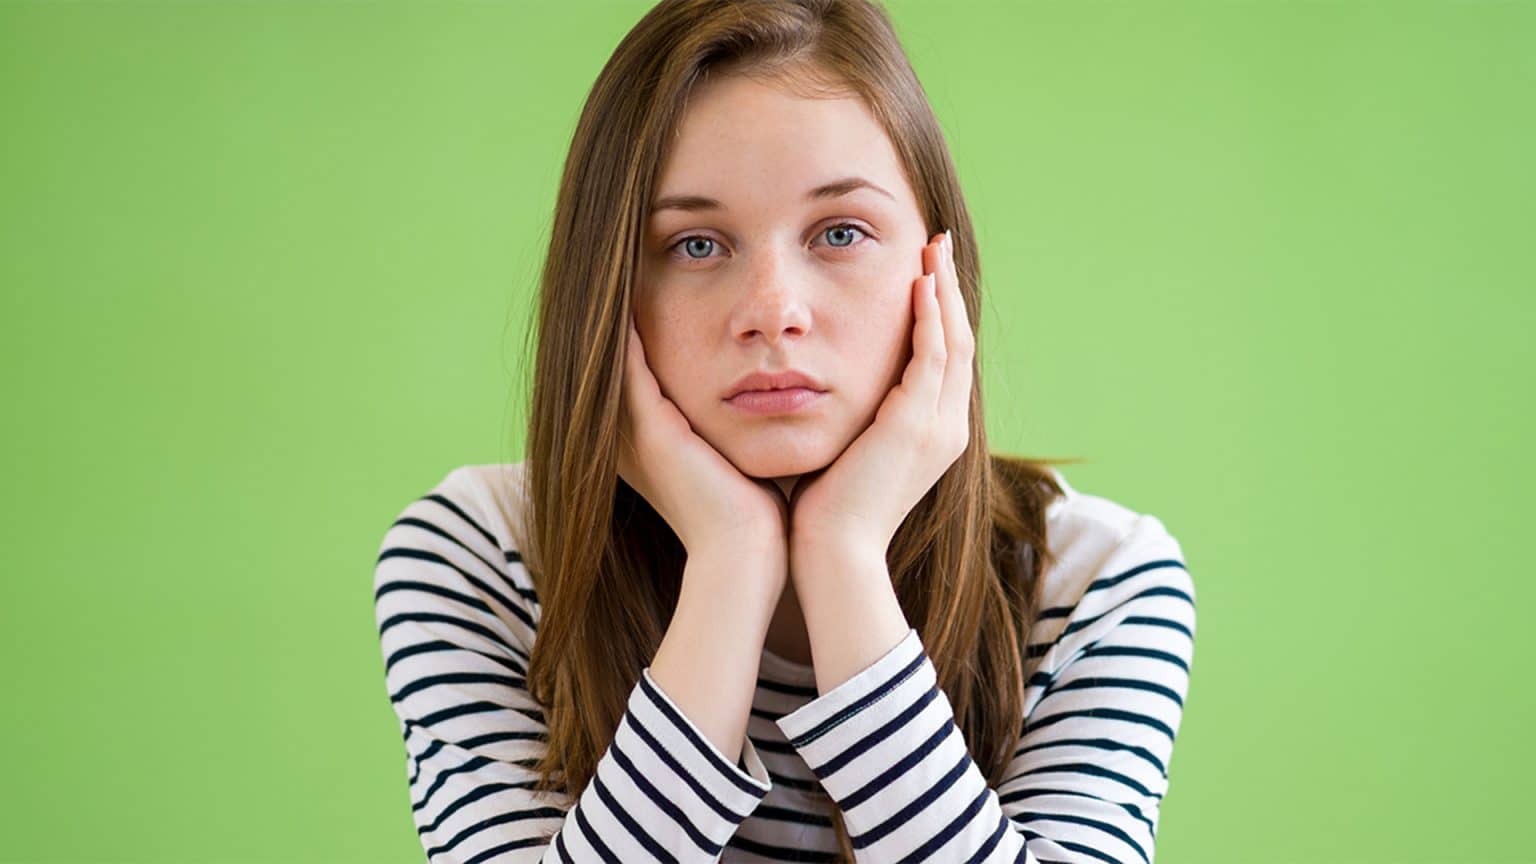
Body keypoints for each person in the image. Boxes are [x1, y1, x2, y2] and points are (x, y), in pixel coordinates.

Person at [372, 0, 1197, 861]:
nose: (773, 312)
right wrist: (732, 564)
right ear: (606, 292)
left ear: (938, 270)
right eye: (695, 244)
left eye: (841, 232)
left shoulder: (1094, 586)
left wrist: (843, 555)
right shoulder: (486, 554)